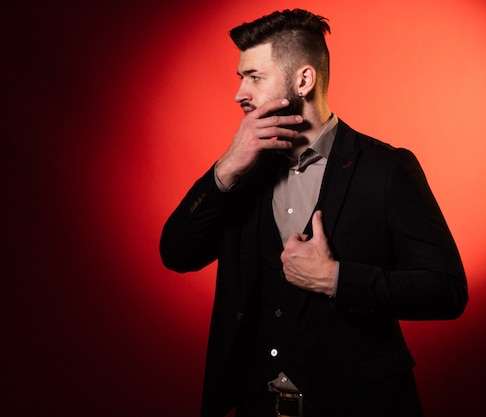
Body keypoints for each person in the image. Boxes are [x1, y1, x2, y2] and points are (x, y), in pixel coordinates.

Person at [160, 8, 468, 417]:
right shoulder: (242, 172)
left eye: (254, 77)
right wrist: (226, 168)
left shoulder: (386, 169)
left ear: (303, 80)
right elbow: (176, 254)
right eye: (241, 79)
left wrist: (337, 279)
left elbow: (447, 291)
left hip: (358, 406)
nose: (240, 94)